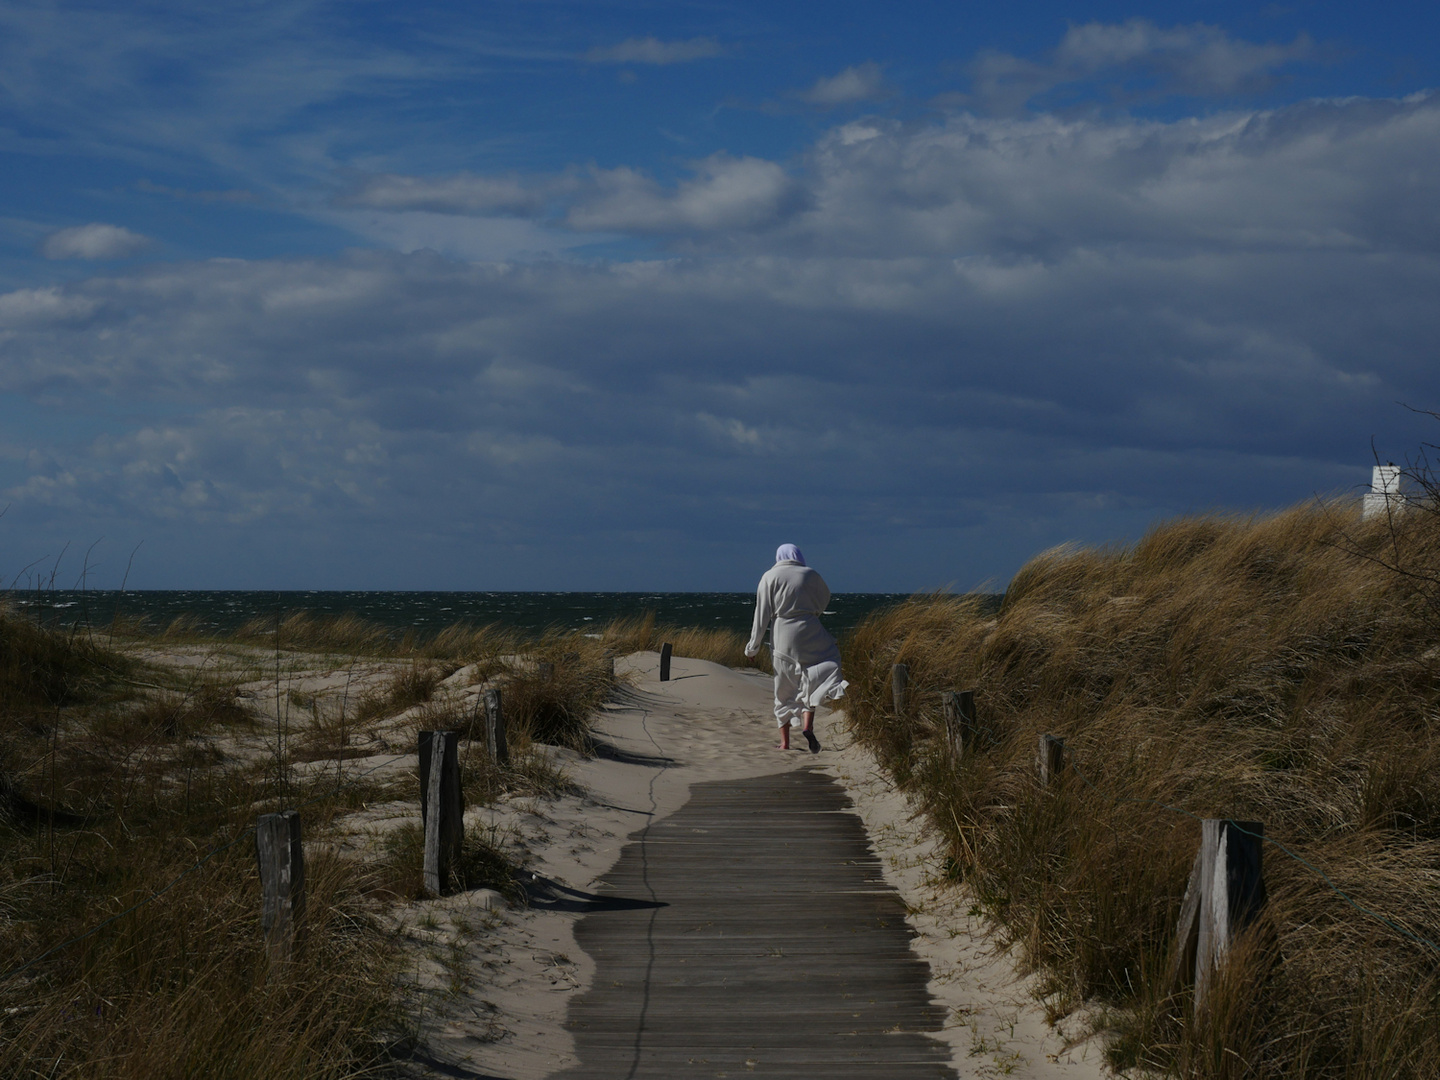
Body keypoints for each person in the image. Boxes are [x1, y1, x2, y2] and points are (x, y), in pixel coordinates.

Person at [745, 544, 848, 752]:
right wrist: (812, 612)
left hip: (783, 634)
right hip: (810, 629)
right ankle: (807, 725)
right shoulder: (810, 574)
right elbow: (824, 598)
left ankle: (785, 743)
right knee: (814, 675)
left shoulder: (770, 576)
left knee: (783, 689)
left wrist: (752, 648)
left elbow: (761, 615)